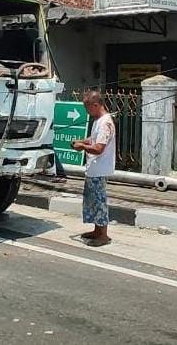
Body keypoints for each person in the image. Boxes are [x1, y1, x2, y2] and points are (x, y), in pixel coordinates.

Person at [71, 91, 116, 247]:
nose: (87, 112)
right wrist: (82, 141)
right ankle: (97, 231)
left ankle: (103, 235)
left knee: (99, 202)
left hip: (100, 169)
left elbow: (98, 148)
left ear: (96, 105)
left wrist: (82, 147)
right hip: (93, 168)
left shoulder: (105, 123)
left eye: (88, 108)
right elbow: (93, 139)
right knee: (92, 202)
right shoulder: (98, 121)